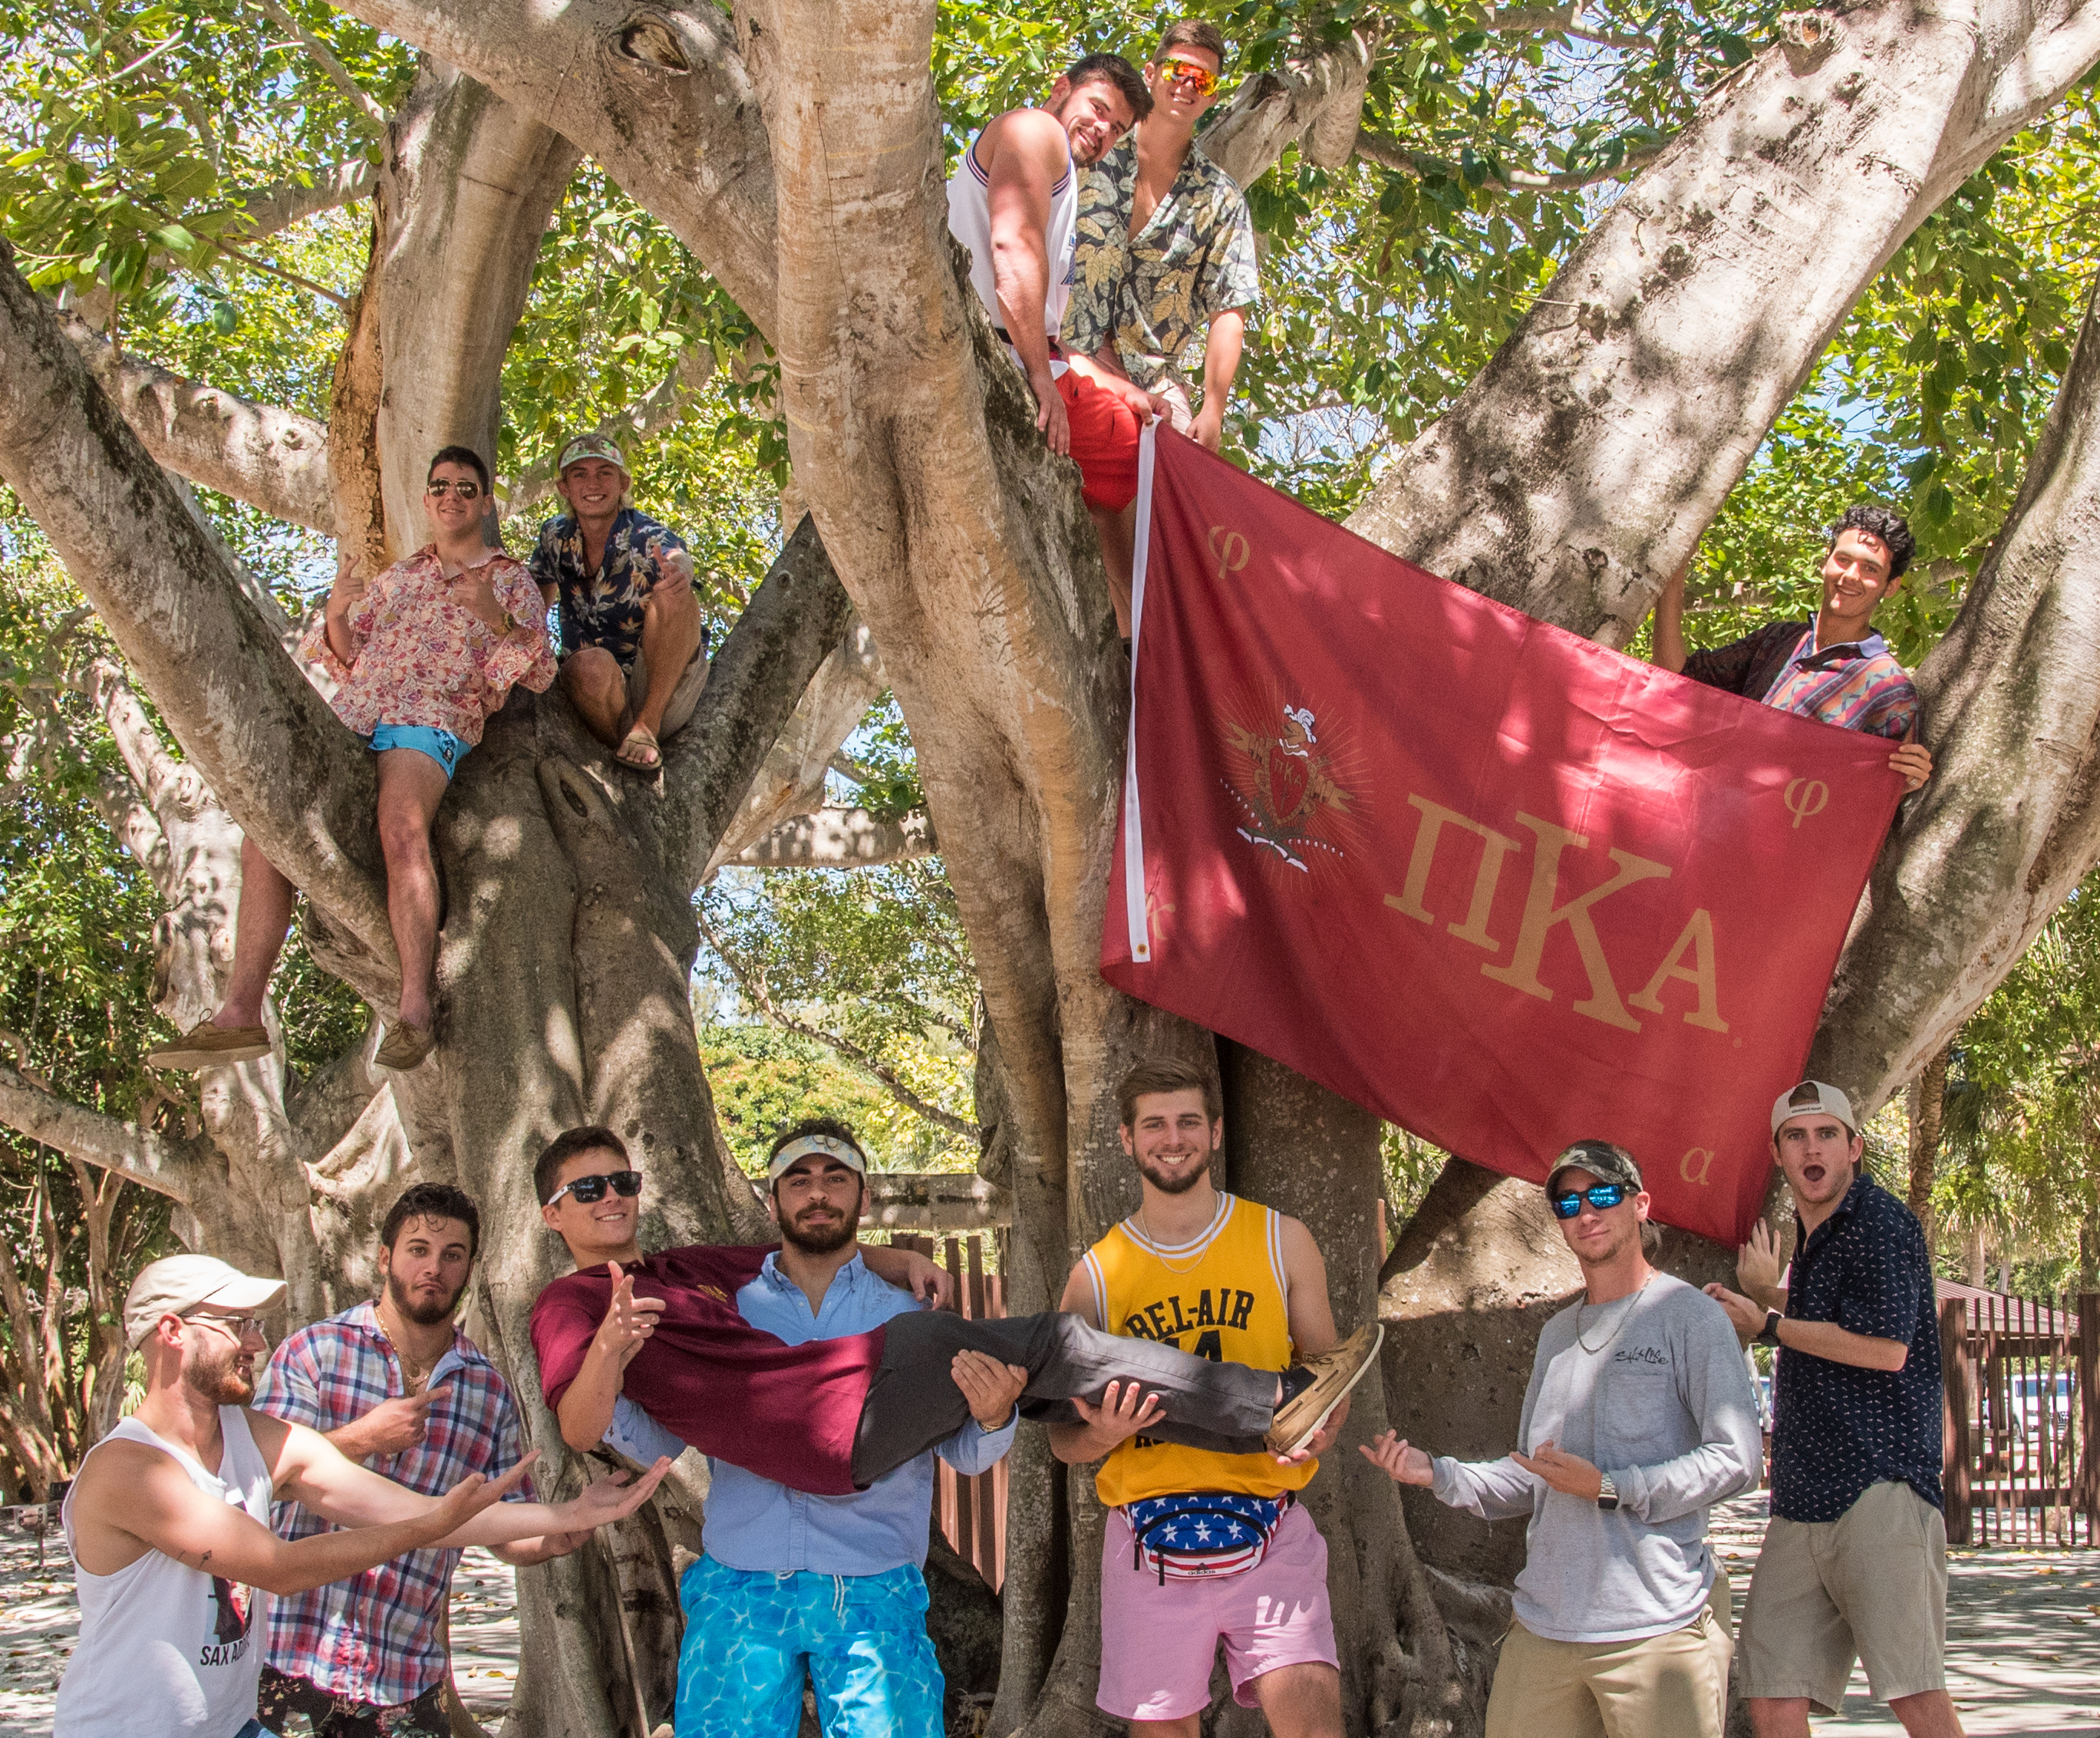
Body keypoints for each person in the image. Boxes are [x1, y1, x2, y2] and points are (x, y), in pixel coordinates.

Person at [529, 1124, 1373, 1499]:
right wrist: (608, 1347)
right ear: (553, 1215)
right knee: (1052, 1341)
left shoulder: (681, 1267)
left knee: (1054, 1381)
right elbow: (576, 1428)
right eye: (589, 1189)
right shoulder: (569, 1302)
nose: (613, 1198)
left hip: (857, 1385)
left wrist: (900, 1257)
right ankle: (1272, 1403)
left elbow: (796, 1250)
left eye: (624, 1182)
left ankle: (1260, 1423)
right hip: (829, 1429)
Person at [54, 1252, 667, 1738]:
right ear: (171, 1331)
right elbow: (282, 1567)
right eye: (236, 1324)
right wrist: (428, 1526)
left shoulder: (258, 1438)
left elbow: (406, 1509)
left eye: (256, 1324)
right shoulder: (130, 1469)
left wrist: (567, 1512)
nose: (256, 1342)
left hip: (231, 1725)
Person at [148, 446, 555, 1076]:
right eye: (440, 485)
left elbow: (538, 667)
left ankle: (416, 1006)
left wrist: (493, 617)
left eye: (466, 488)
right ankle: (240, 1012)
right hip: (355, 713)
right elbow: (345, 652)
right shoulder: (401, 576)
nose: (452, 496)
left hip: (430, 717)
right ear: (426, 499)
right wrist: (338, 612)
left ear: (485, 501)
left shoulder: (507, 579)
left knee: (400, 826)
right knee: (267, 836)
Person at [608, 1120, 1023, 1737]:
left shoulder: (910, 1317)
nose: (817, 1193)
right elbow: (664, 1435)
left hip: (872, 1585)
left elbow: (963, 1452)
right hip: (738, 1582)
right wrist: (606, 1378)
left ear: (863, 1196)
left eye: (835, 1178)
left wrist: (995, 1414)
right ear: (772, 1201)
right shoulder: (727, 1309)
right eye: (797, 1180)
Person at [1363, 1141, 1761, 1738]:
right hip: (1546, 1626)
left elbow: (1737, 1460)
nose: (1586, 1211)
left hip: (1655, 1626)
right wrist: (1437, 1472)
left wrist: (1610, 1487)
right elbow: (1536, 1474)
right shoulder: (1554, 1334)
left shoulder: (1689, 1316)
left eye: (1603, 1193)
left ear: (1641, 1204)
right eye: (1568, 1201)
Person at [1050, 1057, 1383, 1738]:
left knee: (1315, 1725)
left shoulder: (1278, 1240)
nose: (1172, 1138)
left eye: (1187, 1122)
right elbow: (1062, 1441)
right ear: (1126, 1139)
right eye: (1154, 1124)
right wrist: (1106, 1433)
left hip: (1269, 1524)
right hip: (1148, 1543)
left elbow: (1326, 1374)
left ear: (1216, 1131)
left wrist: (1319, 1426)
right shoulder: (1095, 1277)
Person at [251, 1184, 559, 1737]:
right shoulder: (312, 1353)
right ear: (384, 1256)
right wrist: (361, 1437)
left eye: (452, 1254)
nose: (433, 1267)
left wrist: (561, 1532)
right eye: (417, 1248)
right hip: (285, 1660)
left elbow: (506, 1527)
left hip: (402, 1681)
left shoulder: (485, 1391)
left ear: (470, 1267)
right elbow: (260, 1479)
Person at [1705, 1083, 1962, 1738]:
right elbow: (1829, 1329)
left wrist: (1766, 1321)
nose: (1811, 1147)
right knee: (1771, 1692)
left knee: (1914, 1694)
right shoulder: (1811, 1237)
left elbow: (1884, 1348)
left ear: (1854, 1146)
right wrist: (1772, 1296)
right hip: (1801, 1500)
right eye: (1796, 1136)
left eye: (1825, 1134)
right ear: (1778, 1153)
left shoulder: (1879, 1221)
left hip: (1878, 1490)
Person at [946, 53, 1161, 627]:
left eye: (1116, 128)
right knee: (1163, 466)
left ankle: (1128, 637)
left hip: (1027, 350)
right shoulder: (1033, 130)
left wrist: (1118, 387)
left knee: (1143, 435)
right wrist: (1041, 379)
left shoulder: (1067, 188)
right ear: (1061, 89)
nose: (1102, 130)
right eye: (1097, 109)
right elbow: (1011, 249)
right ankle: (1156, 635)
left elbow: (1061, 334)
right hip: (1003, 355)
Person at [1064, 18, 1259, 628]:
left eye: (1203, 77)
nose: (1188, 84)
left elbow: (1231, 304)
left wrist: (1214, 406)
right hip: (1064, 349)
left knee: (1185, 521)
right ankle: (1130, 638)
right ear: (1151, 75)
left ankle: (1145, 648)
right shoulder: (1094, 145)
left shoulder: (1220, 198)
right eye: (1178, 69)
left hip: (1151, 376)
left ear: (1213, 93)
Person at [1651, 504, 1935, 791]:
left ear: (1891, 586)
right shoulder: (1778, 640)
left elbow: (1873, 800)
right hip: (1708, 810)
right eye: (1843, 559)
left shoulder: (1890, 688)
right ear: (1826, 563)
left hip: (1780, 834)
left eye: (1870, 568)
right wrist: (1675, 570)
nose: (1850, 575)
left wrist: (1907, 783)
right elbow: (1675, 675)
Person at [529, 434, 707, 771]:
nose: (592, 483)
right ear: (564, 487)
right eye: (580, 474)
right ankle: (625, 743)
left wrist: (678, 571)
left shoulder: (644, 534)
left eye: (604, 473)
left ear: (623, 482)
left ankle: (647, 727)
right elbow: (536, 593)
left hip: (660, 685)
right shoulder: (555, 536)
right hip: (599, 695)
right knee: (586, 664)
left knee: (676, 596)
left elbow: (677, 556)